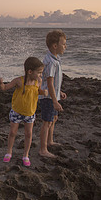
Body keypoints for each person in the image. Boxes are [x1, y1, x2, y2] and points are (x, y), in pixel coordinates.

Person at [0, 57, 47, 167]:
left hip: (30, 112)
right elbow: (5, 88)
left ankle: (26, 155)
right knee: (13, 132)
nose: (40, 75)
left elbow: (37, 91)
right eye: (39, 73)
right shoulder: (19, 81)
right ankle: (9, 152)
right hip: (17, 112)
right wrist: (0, 83)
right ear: (30, 72)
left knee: (28, 134)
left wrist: (44, 92)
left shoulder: (38, 81)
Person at [38, 29, 67, 158]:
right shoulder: (50, 62)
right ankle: (43, 149)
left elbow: (54, 81)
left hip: (53, 95)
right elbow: (49, 82)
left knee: (53, 119)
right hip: (48, 97)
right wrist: (55, 101)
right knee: (47, 122)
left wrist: (59, 91)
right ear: (55, 46)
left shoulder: (56, 59)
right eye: (63, 44)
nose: (65, 46)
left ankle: (50, 141)